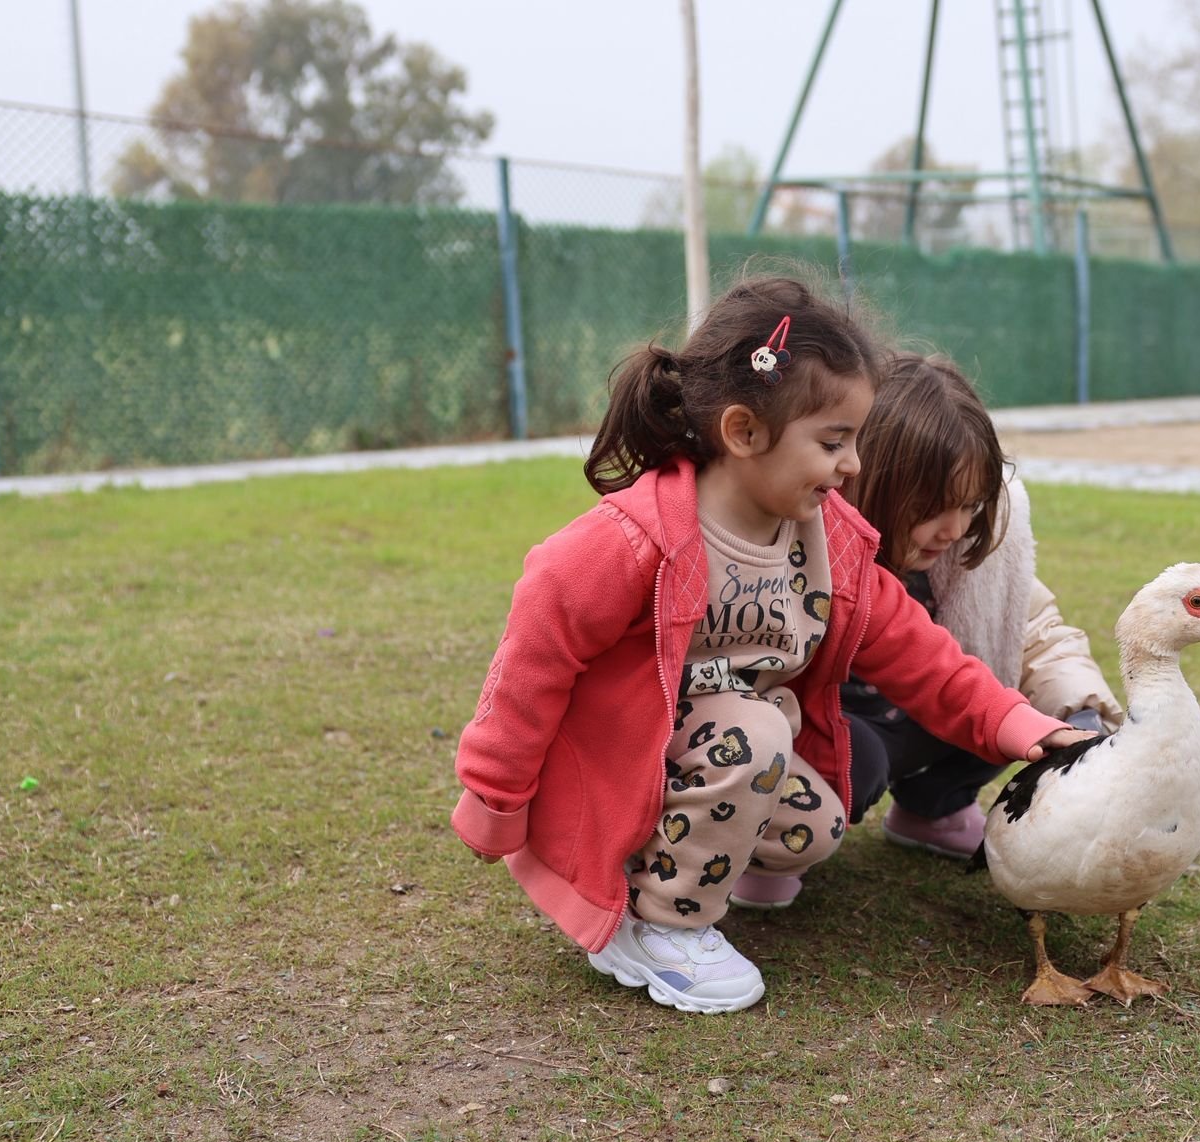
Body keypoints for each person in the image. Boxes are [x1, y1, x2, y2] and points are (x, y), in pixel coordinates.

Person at [450, 276, 1090, 1015]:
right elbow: (533, 658)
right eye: (833, 441)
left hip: (722, 758)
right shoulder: (635, 538)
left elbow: (923, 656)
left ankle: (644, 864)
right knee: (753, 730)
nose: (854, 464)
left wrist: (1024, 725)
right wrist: (496, 795)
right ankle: (663, 928)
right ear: (744, 433)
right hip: (624, 761)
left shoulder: (833, 546)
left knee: (812, 829)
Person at [843, 351, 1124, 860]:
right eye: (931, 509)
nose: (954, 530)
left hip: (935, 718)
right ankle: (775, 842)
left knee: (1014, 701)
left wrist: (1082, 714)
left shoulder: (977, 558)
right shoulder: (825, 561)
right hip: (852, 727)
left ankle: (933, 808)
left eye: (971, 506)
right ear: (872, 480)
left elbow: (1036, 632)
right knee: (849, 760)